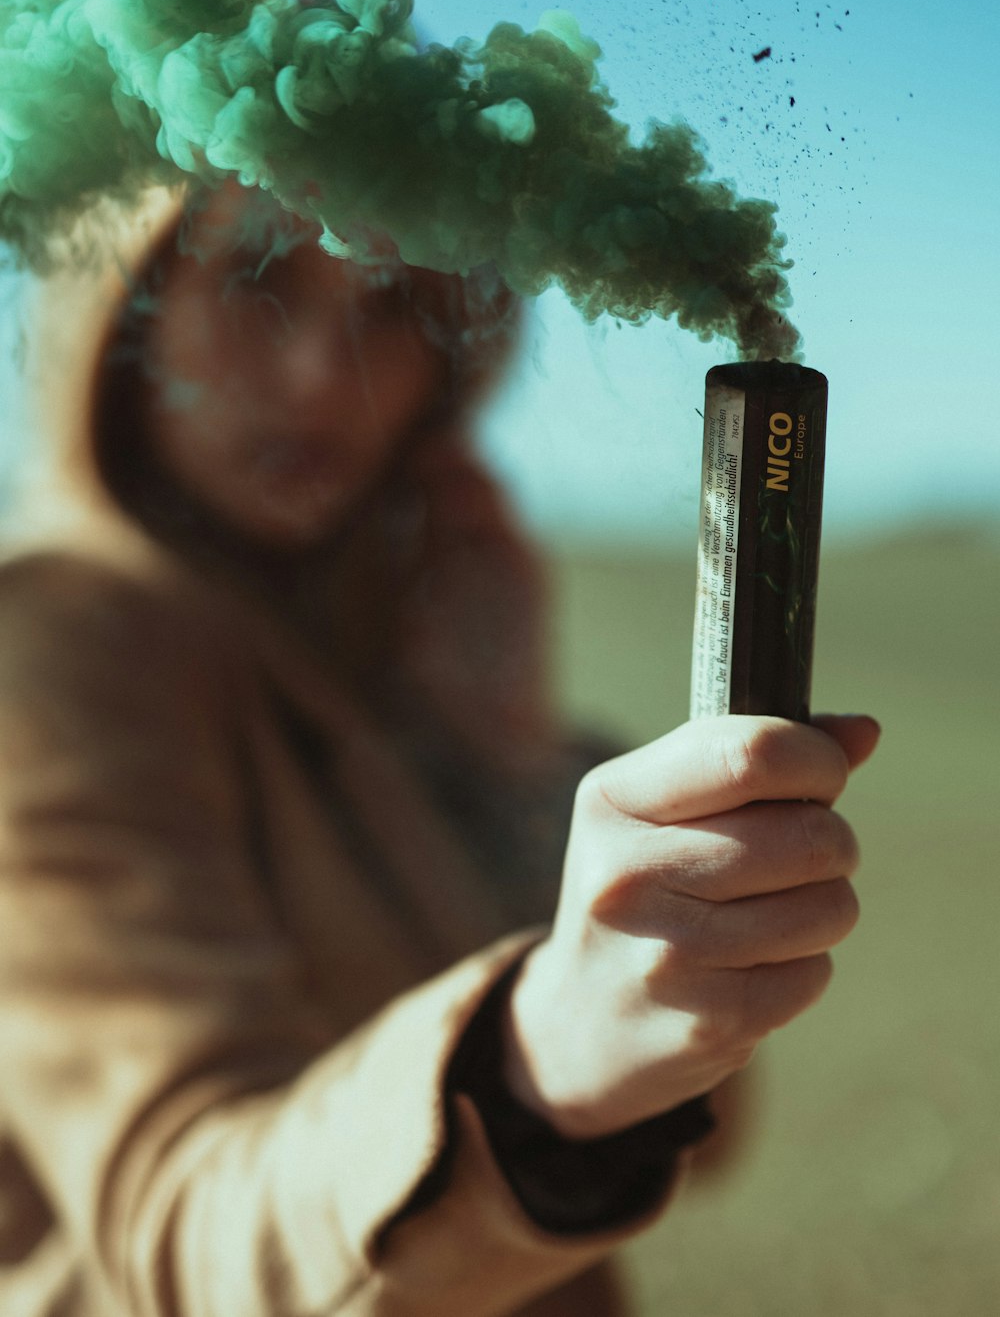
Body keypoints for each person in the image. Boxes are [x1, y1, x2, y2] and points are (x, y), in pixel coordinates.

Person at [0, 175, 879, 1317]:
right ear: (127, 301)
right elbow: (178, 1229)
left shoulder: (359, 651)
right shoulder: (62, 639)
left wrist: (506, 759)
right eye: (257, 284)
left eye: (391, 309)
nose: (324, 375)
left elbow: (693, 1146)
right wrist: (525, 1066)